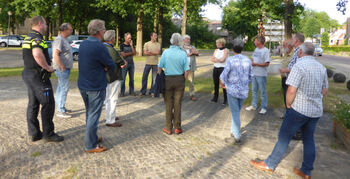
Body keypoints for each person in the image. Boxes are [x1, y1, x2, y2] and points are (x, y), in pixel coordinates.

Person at [250, 42, 329, 179]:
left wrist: (288, 104)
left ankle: (270, 164)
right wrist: (315, 98)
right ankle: (306, 171)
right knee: (309, 140)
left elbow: (291, 90)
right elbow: (325, 90)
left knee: (283, 137)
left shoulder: (298, 66)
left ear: (300, 53)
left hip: (298, 110)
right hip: (315, 111)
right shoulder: (321, 67)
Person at [22, 16, 64, 142]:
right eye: (45, 24)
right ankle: (48, 134)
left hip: (29, 75)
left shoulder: (28, 37)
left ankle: (34, 133)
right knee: (48, 103)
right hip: (39, 76)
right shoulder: (37, 38)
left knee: (33, 104)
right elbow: (37, 54)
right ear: (40, 24)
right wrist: (48, 67)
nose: (46, 26)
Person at [78, 19, 116, 153]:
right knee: (93, 116)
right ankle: (91, 146)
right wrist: (105, 68)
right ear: (100, 31)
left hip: (83, 84)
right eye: (104, 29)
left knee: (90, 113)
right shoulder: (99, 46)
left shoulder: (83, 44)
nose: (105, 31)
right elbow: (111, 64)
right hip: (95, 86)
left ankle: (92, 138)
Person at [220, 38, 252, 144]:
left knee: (235, 113)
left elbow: (224, 74)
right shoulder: (247, 60)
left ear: (233, 48)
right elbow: (251, 76)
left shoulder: (231, 60)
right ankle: (233, 132)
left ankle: (236, 136)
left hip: (232, 90)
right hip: (243, 91)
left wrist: (222, 83)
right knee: (236, 111)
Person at [158, 33, 189, 135]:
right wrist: (183, 80)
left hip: (168, 80)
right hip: (179, 79)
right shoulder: (183, 53)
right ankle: (177, 127)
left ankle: (168, 127)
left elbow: (159, 67)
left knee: (168, 104)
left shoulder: (166, 52)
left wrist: (160, 77)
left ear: (171, 41)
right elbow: (186, 70)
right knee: (177, 104)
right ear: (180, 41)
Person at [279, 33, 305, 140]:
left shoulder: (300, 51)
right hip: (290, 79)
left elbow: (298, 67)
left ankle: (297, 131)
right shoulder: (297, 50)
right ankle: (296, 129)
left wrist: (286, 70)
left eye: (293, 39)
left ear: (297, 40)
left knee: (294, 104)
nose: (291, 41)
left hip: (294, 81)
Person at [104, 30, 126, 127]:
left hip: (106, 76)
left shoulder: (102, 47)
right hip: (113, 76)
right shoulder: (111, 50)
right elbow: (121, 62)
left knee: (108, 98)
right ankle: (110, 120)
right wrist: (124, 62)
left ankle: (110, 116)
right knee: (112, 98)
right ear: (112, 39)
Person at [52, 23, 73, 118]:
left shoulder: (64, 40)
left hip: (64, 68)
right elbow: (56, 55)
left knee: (61, 88)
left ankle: (61, 107)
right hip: (61, 68)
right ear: (65, 30)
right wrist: (62, 66)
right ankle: (60, 110)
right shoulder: (59, 40)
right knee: (64, 88)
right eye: (70, 29)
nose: (71, 31)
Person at [245, 35, 270, 114]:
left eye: (255, 41)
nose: (254, 42)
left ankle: (264, 107)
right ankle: (253, 105)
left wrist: (256, 64)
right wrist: (251, 61)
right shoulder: (256, 49)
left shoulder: (266, 50)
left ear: (259, 42)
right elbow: (253, 58)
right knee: (254, 90)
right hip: (254, 73)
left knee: (263, 91)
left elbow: (267, 63)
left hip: (261, 74)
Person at [140, 32, 161, 97]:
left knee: (154, 79)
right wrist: (152, 53)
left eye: (156, 36)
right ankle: (143, 92)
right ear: (151, 36)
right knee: (144, 77)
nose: (156, 37)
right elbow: (145, 53)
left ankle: (152, 91)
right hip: (148, 63)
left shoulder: (158, 44)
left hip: (155, 64)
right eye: (154, 36)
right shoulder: (146, 44)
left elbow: (157, 52)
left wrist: (150, 52)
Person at [211, 38, 229, 105]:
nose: (216, 44)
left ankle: (225, 99)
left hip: (223, 69)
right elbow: (212, 59)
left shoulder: (226, 50)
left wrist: (216, 59)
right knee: (215, 83)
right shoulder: (216, 50)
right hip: (215, 68)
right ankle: (215, 98)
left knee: (223, 84)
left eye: (217, 43)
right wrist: (218, 60)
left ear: (221, 43)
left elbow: (223, 60)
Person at [183, 34, 199, 101]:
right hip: (182, 67)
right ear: (183, 40)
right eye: (186, 39)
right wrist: (187, 54)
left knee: (191, 82)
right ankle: (180, 95)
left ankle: (192, 95)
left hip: (191, 66)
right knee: (181, 81)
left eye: (189, 39)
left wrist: (191, 50)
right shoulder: (181, 47)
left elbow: (197, 53)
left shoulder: (192, 47)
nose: (188, 40)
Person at [120, 32, 136, 96]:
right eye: (129, 38)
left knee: (132, 79)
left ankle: (131, 91)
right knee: (123, 79)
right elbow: (123, 55)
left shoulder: (131, 45)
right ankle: (122, 92)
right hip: (124, 64)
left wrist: (132, 46)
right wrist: (131, 53)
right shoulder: (122, 45)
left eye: (130, 38)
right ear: (125, 38)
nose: (130, 39)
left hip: (131, 64)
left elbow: (135, 53)